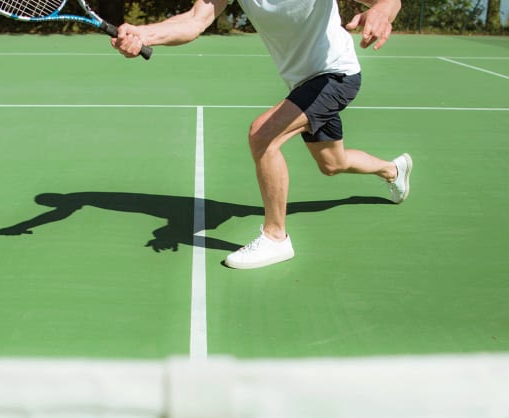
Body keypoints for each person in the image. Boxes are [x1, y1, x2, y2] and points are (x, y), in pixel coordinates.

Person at [111, 0, 412, 270]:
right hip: (303, 82)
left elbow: (390, 2)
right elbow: (194, 20)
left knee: (262, 135)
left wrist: (381, 13)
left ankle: (276, 237)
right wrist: (144, 34)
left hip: (336, 75)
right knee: (332, 163)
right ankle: (393, 169)